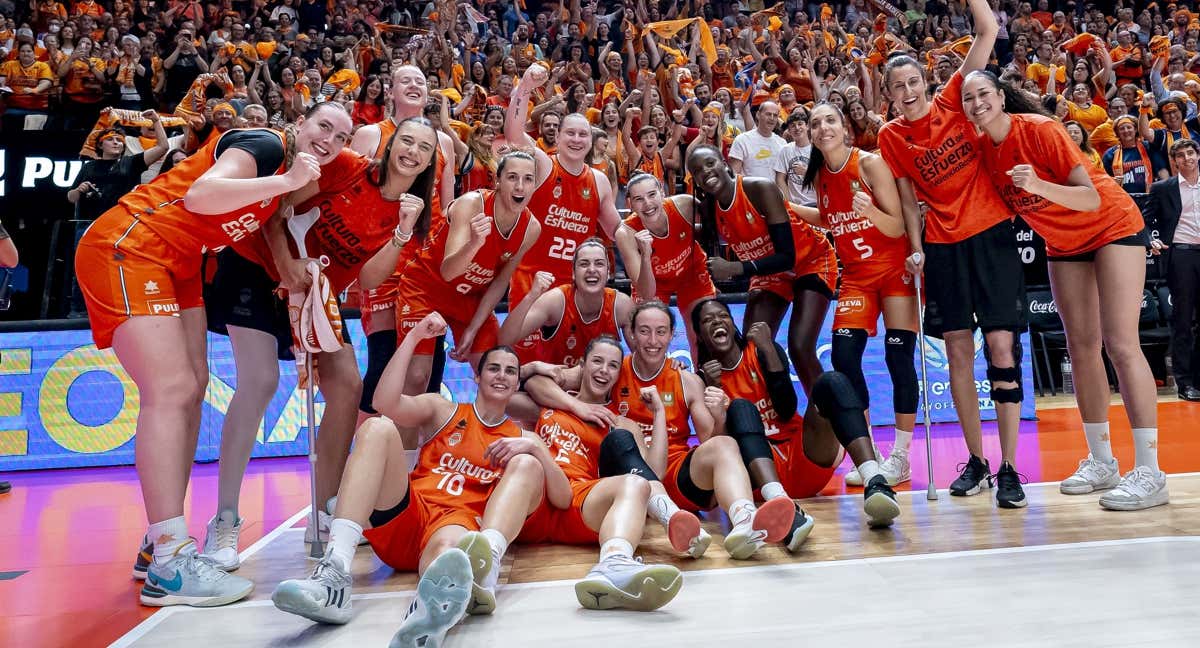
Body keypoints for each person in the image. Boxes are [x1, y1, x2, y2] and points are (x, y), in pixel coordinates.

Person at [75, 101, 352, 606]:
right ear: (299, 125)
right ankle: (170, 560)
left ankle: (158, 540)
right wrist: (285, 181)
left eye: (341, 135)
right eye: (323, 126)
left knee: (193, 386)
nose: (330, 139)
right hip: (131, 245)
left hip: (179, 262)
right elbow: (202, 196)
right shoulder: (267, 146)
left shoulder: (285, 186)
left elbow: (267, 226)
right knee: (172, 389)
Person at [198, 116, 441, 564]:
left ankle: (326, 510)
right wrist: (287, 267)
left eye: (423, 148)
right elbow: (276, 207)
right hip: (257, 267)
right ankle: (226, 521)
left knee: (347, 385)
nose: (412, 152)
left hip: (317, 295)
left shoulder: (409, 209)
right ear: (390, 144)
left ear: (430, 162)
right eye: (406, 140)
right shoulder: (348, 166)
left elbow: (368, 278)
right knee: (260, 381)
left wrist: (403, 232)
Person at [273, 315, 563, 648]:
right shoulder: (443, 409)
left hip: (455, 524)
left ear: (516, 384)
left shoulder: (521, 438)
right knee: (377, 427)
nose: (502, 375)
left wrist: (537, 447)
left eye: (511, 371)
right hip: (410, 512)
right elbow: (384, 402)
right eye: (494, 368)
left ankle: (427, 616)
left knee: (451, 551)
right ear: (477, 374)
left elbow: (562, 497)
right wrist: (412, 338)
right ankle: (334, 574)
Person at [962, 70, 1167, 511]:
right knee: (1081, 347)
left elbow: (1090, 198)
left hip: (1112, 225)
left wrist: (1035, 185)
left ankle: (1150, 472)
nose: (977, 103)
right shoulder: (982, 150)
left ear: (1000, 97)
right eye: (968, 98)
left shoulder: (1040, 130)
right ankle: (1101, 460)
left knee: (1122, 345)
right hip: (1063, 241)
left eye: (984, 94)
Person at [876, 0, 1028, 507]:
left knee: (1002, 351)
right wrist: (915, 249)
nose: (907, 92)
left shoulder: (954, 100)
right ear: (889, 94)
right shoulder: (891, 136)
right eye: (896, 87)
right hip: (943, 247)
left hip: (992, 238)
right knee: (960, 354)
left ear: (926, 81)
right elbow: (905, 199)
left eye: (912, 82)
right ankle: (978, 462)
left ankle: (1009, 466)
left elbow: (986, 29)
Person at [526, 302, 797, 559]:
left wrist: (718, 415)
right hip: (625, 474)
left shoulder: (686, 380)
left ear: (671, 337)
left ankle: (746, 522)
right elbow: (538, 383)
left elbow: (709, 440)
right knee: (622, 439)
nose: (653, 341)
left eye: (661, 332)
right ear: (631, 334)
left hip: (676, 474)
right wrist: (576, 405)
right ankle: (669, 518)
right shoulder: (611, 367)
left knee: (725, 445)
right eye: (644, 331)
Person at [692, 299, 901, 528]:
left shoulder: (761, 350)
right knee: (741, 409)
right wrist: (714, 389)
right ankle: (779, 500)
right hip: (758, 476)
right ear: (700, 335)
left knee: (832, 381)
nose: (717, 322)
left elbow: (786, 408)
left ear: (733, 325)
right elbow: (716, 448)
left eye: (723, 316)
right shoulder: (700, 381)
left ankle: (874, 480)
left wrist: (769, 349)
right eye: (708, 320)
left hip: (803, 456)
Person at [797, 102, 919, 487]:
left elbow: (898, 226)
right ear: (811, 135)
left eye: (829, 120)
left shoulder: (869, 164)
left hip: (893, 270)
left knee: (898, 356)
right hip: (856, 278)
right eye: (815, 124)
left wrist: (870, 213)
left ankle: (900, 456)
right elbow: (830, 218)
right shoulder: (819, 177)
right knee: (844, 357)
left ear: (844, 128)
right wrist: (790, 209)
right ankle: (870, 452)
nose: (822, 128)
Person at [515, 336, 684, 609]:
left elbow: (653, 475)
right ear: (581, 365)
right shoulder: (549, 401)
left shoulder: (621, 423)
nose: (604, 370)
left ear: (619, 374)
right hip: (535, 496)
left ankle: (613, 565)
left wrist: (659, 414)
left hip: (577, 502)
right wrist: (536, 369)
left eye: (613, 365)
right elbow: (499, 391)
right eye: (597, 361)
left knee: (635, 484)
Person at [687, 145, 838, 398]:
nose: (706, 172)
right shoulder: (709, 211)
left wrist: (737, 268)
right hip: (768, 272)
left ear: (725, 163)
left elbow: (787, 257)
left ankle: (827, 419)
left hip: (809, 261)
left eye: (710, 163)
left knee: (800, 346)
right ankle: (768, 418)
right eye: (698, 171)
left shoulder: (759, 188)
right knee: (751, 348)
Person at [350, 64, 456, 420]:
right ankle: (364, 453)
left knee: (425, 371)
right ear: (389, 91)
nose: (414, 86)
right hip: (384, 257)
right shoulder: (368, 135)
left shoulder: (443, 142)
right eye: (405, 81)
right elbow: (353, 199)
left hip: (426, 265)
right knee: (382, 360)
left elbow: (448, 208)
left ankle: (416, 463)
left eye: (421, 81)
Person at [389, 151, 542, 397]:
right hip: (427, 286)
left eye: (528, 178)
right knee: (417, 378)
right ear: (498, 180)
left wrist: (473, 328)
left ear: (535, 184)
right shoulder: (471, 204)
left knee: (494, 372)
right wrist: (474, 244)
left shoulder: (531, 228)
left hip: (470, 297)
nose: (520, 186)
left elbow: (501, 281)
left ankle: (485, 434)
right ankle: (402, 434)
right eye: (512, 177)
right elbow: (449, 272)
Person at [503, 64, 622, 311]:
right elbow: (514, 135)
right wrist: (524, 86)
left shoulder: (599, 180)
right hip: (531, 279)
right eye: (570, 133)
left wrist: (650, 227)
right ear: (557, 137)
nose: (576, 140)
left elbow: (615, 230)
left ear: (591, 142)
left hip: (576, 284)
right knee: (526, 350)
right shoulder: (544, 164)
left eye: (582, 135)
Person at [66, 111, 170, 317]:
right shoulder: (89, 166)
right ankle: (78, 310)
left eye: (119, 140)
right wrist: (79, 190)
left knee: (119, 267)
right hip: (89, 223)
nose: (116, 143)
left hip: (120, 226)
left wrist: (156, 121)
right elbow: (70, 197)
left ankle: (121, 308)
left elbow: (163, 147)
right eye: (111, 140)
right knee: (85, 268)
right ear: (100, 145)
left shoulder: (131, 163)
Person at [615, 173, 716, 357]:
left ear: (662, 192)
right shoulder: (626, 233)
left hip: (691, 272)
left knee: (703, 336)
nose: (647, 204)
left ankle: (704, 381)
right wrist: (645, 255)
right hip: (654, 282)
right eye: (639, 199)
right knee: (647, 339)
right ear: (629, 204)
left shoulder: (685, 205)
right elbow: (646, 292)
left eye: (652, 195)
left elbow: (716, 231)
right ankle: (653, 382)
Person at [499, 239, 633, 367]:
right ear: (573, 273)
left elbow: (642, 356)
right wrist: (531, 296)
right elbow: (505, 340)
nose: (592, 269)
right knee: (533, 380)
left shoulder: (621, 305)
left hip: (601, 383)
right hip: (554, 384)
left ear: (608, 272)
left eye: (599, 263)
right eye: (584, 264)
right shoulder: (556, 301)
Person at [1147, 139, 1200, 402]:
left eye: (1191, 152)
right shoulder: (1163, 188)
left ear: (1198, 155)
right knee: (1183, 321)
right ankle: (1185, 382)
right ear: (1175, 161)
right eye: (1181, 155)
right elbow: (1143, 220)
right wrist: (1150, 239)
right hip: (1181, 254)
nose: (1187, 158)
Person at [729, 100, 787, 180]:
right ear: (758, 115)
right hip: (749, 191)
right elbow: (734, 174)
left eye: (775, 115)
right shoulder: (742, 140)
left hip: (774, 191)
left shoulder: (782, 143)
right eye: (768, 114)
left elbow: (783, 177)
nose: (772, 118)